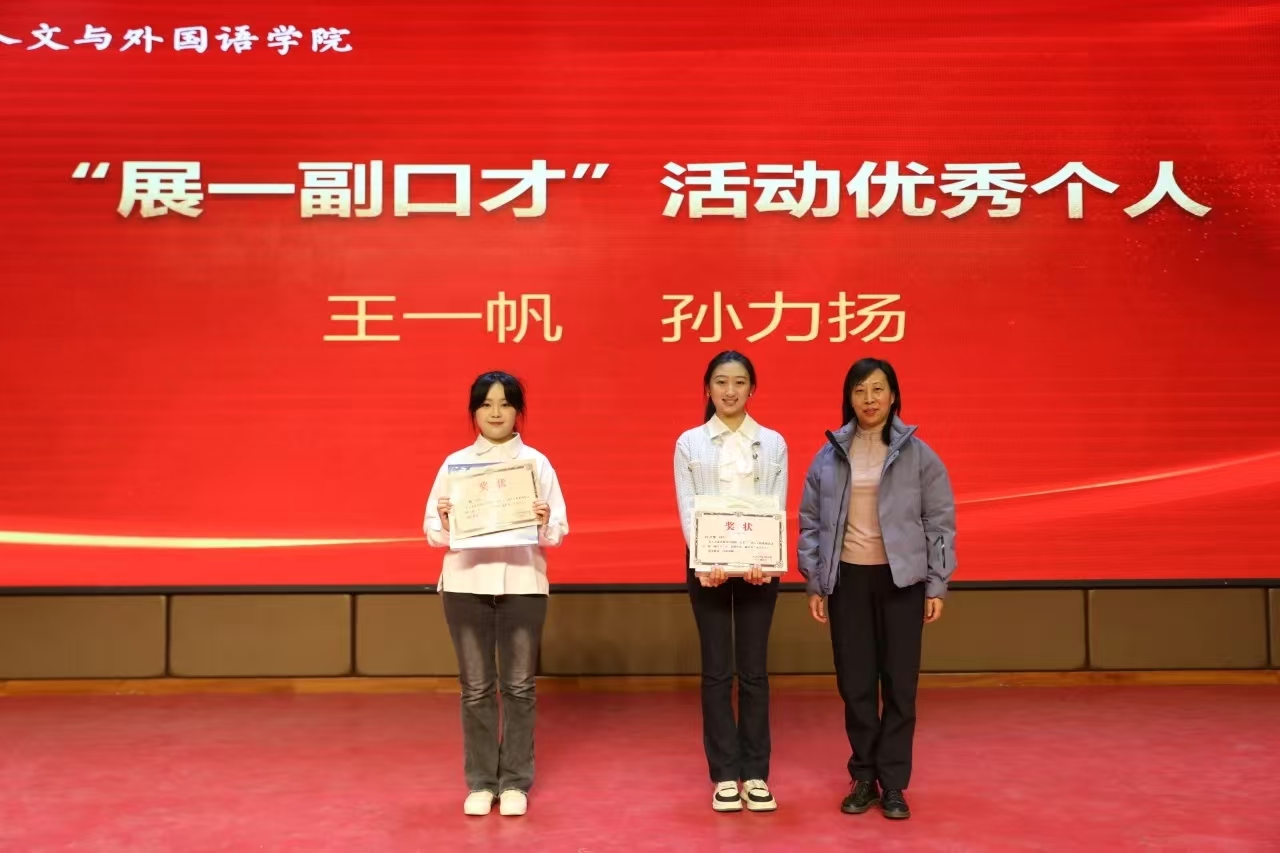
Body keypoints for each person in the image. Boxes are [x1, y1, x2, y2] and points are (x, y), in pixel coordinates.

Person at [797, 357, 956, 821]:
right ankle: (864, 775)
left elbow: (939, 522)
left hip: (901, 580)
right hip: (848, 579)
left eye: (878, 389)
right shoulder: (828, 456)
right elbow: (810, 523)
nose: (869, 399)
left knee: (900, 685)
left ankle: (895, 783)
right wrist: (815, 580)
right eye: (860, 390)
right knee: (856, 683)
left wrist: (936, 584)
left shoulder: (919, 455)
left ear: (893, 396)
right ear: (849, 398)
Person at [423, 371, 568, 818]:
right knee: (475, 688)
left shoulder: (536, 464)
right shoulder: (455, 466)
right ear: (474, 412)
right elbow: (432, 533)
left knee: (520, 687)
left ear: (518, 410)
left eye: (505, 404)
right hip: (465, 585)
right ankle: (482, 782)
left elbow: (557, 530)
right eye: (486, 404)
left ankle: (516, 781)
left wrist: (543, 519)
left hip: (522, 583)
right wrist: (445, 519)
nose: (496, 413)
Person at [674, 350, 789, 813]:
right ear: (708, 388)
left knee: (755, 671)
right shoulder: (690, 443)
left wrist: (765, 558)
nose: (730, 390)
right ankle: (724, 773)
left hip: (760, 568)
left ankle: (756, 772)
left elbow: (776, 504)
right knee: (718, 671)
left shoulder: (773, 443)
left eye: (739, 382)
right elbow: (688, 505)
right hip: (708, 569)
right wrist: (706, 559)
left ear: (751, 389)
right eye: (721, 381)